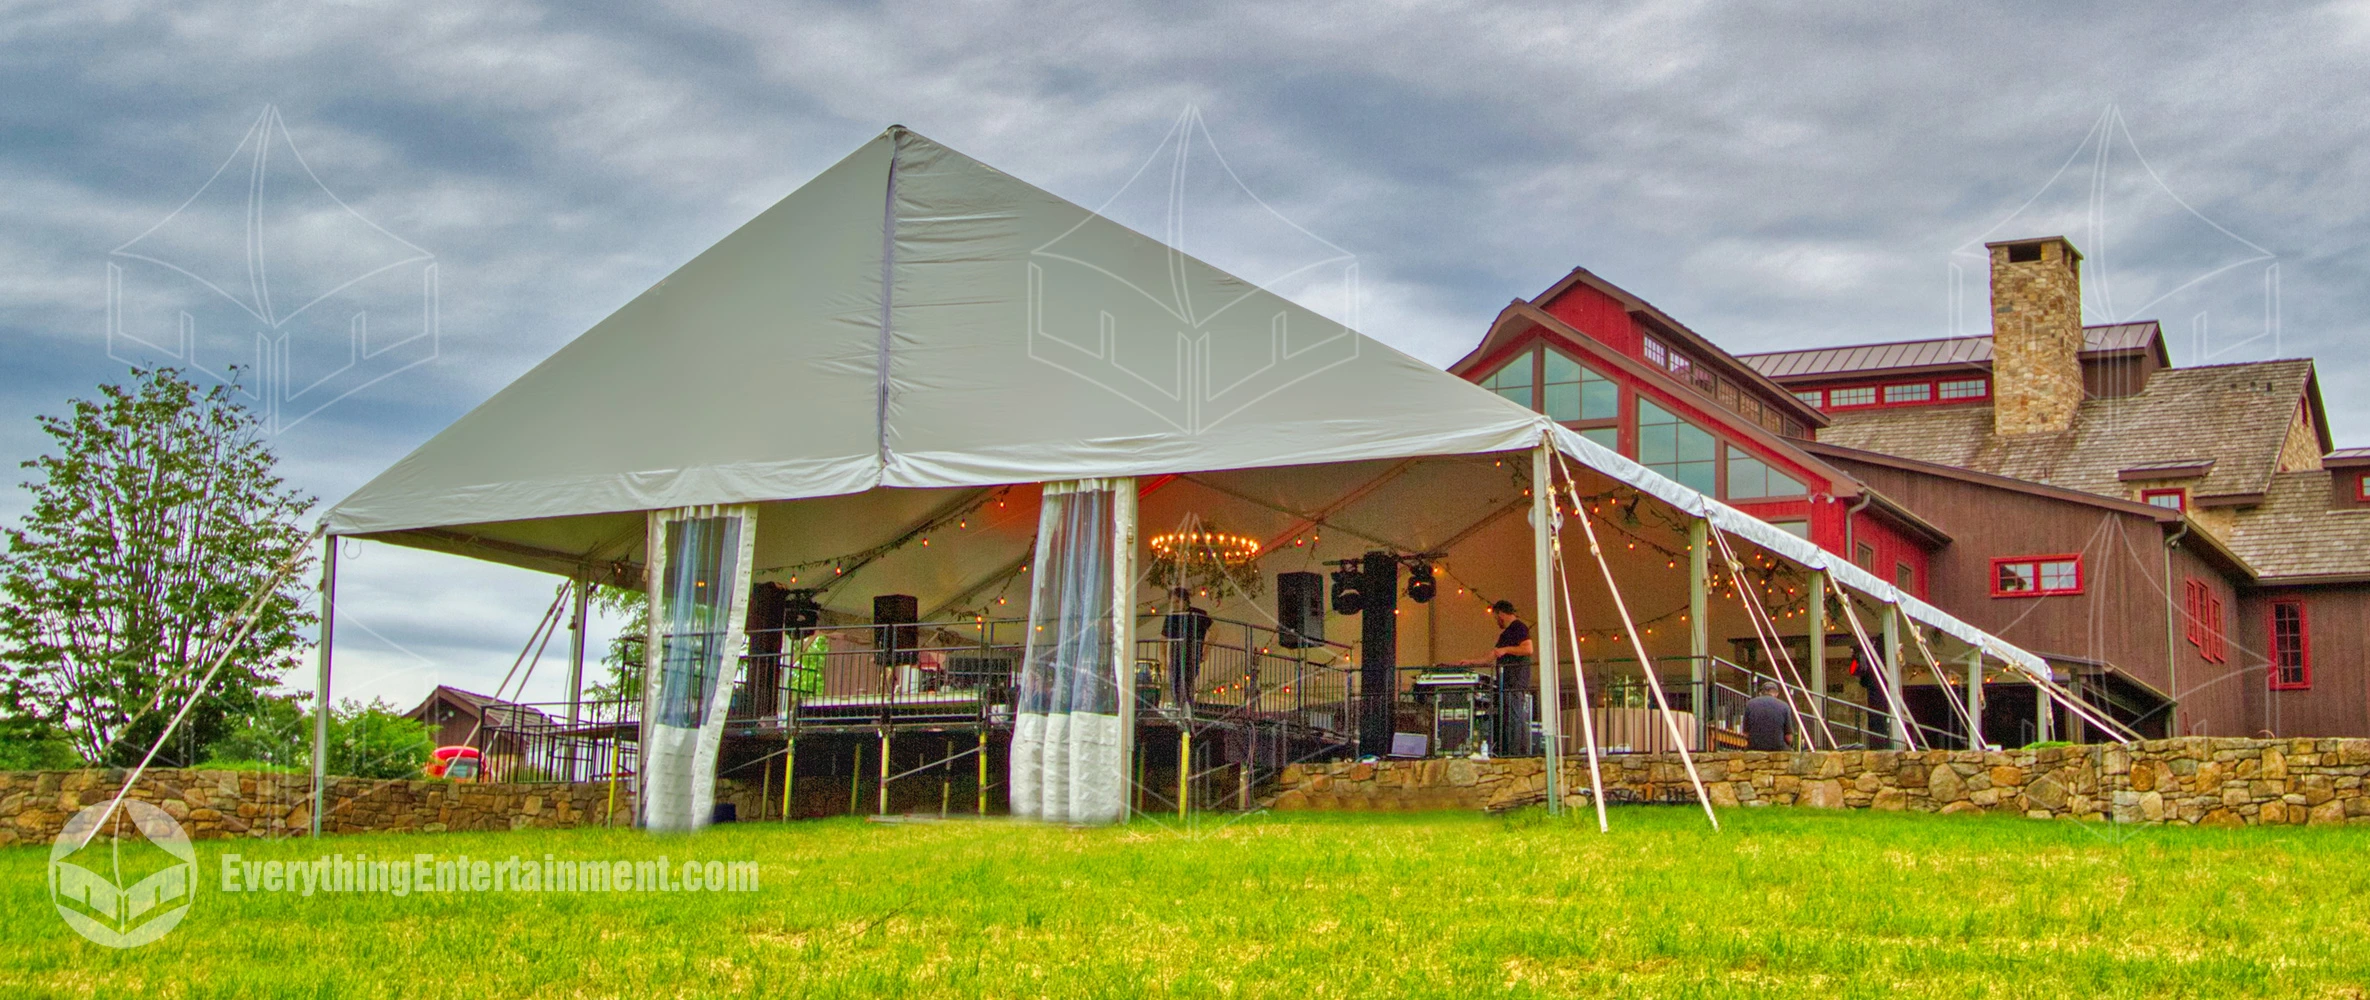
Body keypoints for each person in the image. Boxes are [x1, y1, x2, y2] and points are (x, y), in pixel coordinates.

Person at [1459, 600, 1535, 753]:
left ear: (1501, 613)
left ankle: (1516, 752)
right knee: (1511, 716)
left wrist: (1506, 649)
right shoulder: (1507, 634)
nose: (1496, 621)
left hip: (1515, 680)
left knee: (1515, 717)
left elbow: (1528, 649)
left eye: (1496, 617)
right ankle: (1513, 749)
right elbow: (1492, 655)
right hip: (1507, 681)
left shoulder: (1519, 627)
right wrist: (1471, 662)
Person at [1161, 587, 1212, 708]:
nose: (1175, 605)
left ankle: (1185, 709)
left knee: (1186, 682)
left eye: (1177, 601)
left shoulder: (1198, 614)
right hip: (1176, 656)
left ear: (1185, 600)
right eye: (1173, 602)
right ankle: (1181, 709)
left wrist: (1206, 649)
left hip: (1191, 655)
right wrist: (1162, 657)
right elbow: (1163, 639)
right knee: (1176, 684)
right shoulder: (1171, 617)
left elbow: (1215, 630)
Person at [1742, 681, 1796, 751]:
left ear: (1760, 693)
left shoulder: (1750, 704)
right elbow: (1789, 737)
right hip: (1778, 747)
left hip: (1754, 747)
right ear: (1776, 694)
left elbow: (1746, 734)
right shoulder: (1784, 706)